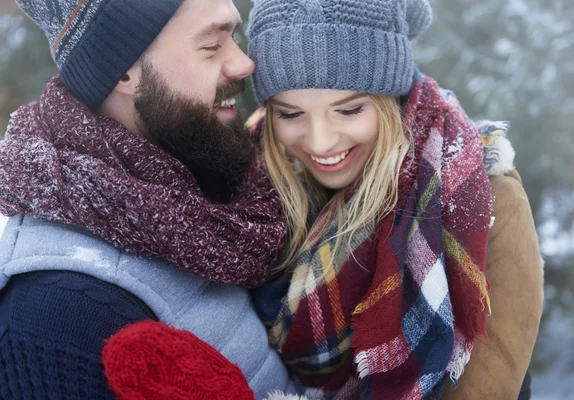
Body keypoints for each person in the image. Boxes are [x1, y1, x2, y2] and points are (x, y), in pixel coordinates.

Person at [245, 0, 544, 398]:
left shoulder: (484, 195)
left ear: (390, 99)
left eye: (348, 110)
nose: (320, 141)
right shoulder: (247, 191)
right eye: (289, 114)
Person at [0, 0, 297, 398]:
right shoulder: (57, 314)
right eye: (212, 46)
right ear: (122, 68)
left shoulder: (208, 183)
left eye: (234, 36)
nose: (243, 64)